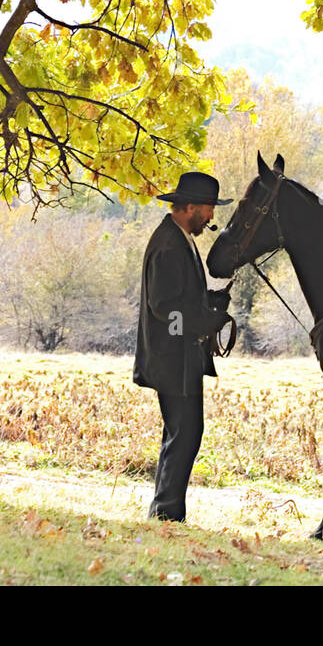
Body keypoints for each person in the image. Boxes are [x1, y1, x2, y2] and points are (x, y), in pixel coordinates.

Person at [133, 171, 233, 521]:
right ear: (189, 207)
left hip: (181, 359)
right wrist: (205, 322)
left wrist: (209, 301)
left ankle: (166, 510)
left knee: (182, 432)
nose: (211, 218)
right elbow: (165, 308)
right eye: (208, 209)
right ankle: (165, 512)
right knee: (185, 433)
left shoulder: (180, 239)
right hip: (171, 358)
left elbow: (181, 297)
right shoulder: (168, 244)